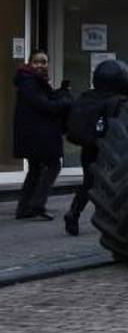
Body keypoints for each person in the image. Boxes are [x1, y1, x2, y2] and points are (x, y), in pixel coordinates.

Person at [63, 59, 128, 236]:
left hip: (88, 147)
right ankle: (109, 221)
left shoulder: (88, 97)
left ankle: (74, 212)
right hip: (110, 149)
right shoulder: (119, 102)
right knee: (111, 186)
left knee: (89, 183)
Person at [12, 51, 72, 220]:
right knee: (54, 165)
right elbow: (44, 105)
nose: (40, 65)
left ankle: (24, 209)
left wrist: (60, 92)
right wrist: (65, 101)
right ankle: (37, 205)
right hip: (38, 134)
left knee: (35, 170)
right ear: (30, 64)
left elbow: (45, 100)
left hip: (34, 133)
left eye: (44, 62)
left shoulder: (33, 81)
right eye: (37, 62)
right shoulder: (29, 82)